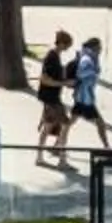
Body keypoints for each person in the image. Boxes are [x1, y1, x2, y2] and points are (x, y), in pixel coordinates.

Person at [35, 28, 74, 167]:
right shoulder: (51, 57)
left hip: (51, 98)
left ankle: (39, 157)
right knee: (65, 125)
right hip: (51, 99)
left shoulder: (55, 56)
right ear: (62, 43)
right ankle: (62, 159)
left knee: (47, 127)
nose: (69, 48)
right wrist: (62, 83)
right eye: (68, 45)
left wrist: (66, 82)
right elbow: (44, 79)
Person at [70, 34, 112, 153]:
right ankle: (107, 147)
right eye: (99, 47)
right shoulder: (87, 59)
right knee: (100, 123)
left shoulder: (91, 57)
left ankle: (57, 145)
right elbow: (81, 74)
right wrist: (93, 72)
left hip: (82, 97)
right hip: (85, 98)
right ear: (94, 48)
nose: (101, 50)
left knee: (70, 122)